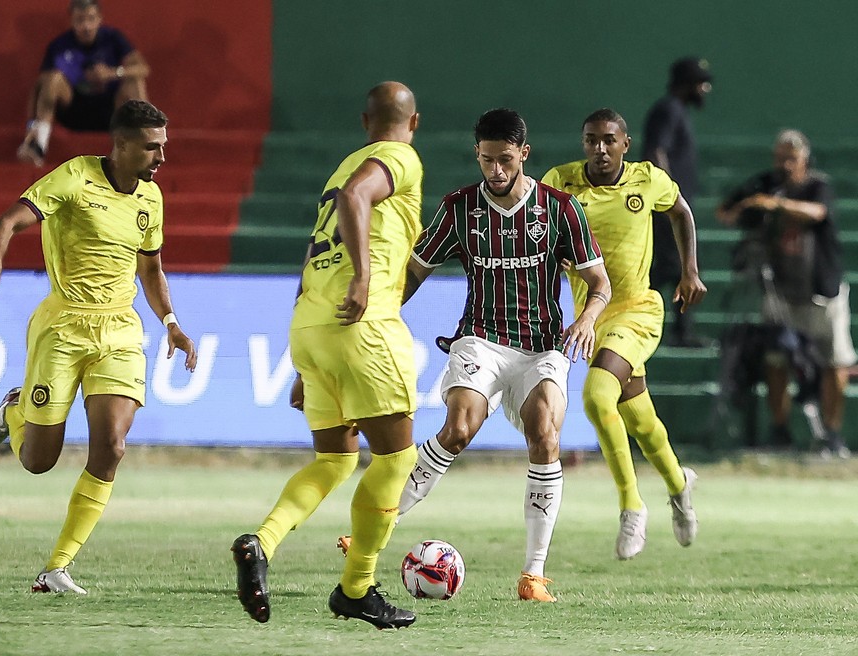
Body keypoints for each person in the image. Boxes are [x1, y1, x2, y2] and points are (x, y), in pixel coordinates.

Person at [342, 108, 612, 602]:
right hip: (480, 339)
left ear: (524, 154)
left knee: (545, 434)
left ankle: (533, 575)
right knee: (459, 427)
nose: (496, 171)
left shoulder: (558, 209)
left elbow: (600, 284)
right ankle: (372, 529)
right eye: (486, 160)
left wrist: (587, 319)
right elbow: (413, 274)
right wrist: (376, 311)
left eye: (505, 160)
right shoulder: (458, 209)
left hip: (542, 345)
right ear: (478, 155)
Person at [0, 99, 198, 594]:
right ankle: (14, 411)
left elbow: (150, 269)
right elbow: (6, 221)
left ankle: (56, 568)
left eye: (164, 147)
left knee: (111, 447)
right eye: (153, 148)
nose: (161, 158)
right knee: (38, 461)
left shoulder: (151, 199)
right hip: (64, 327)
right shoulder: (74, 177)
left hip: (119, 330)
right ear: (122, 144)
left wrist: (171, 322)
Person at [231, 81, 422, 630]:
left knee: (335, 459)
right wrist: (364, 278)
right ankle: (356, 588)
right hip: (361, 325)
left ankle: (261, 543)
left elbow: (316, 249)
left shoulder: (340, 167)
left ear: (365, 121)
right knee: (396, 459)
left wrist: (301, 363)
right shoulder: (398, 158)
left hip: (310, 324)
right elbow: (356, 197)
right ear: (415, 122)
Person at [541, 108, 705, 560]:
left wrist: (690, 270)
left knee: (596, 396)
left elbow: (681, 211)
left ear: (624, 144)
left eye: (609, 140)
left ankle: (632, 506)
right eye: (592, 139)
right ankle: (678, 483)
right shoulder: (560, 182)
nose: (600, 148)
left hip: (638, 311)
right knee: (641, 420)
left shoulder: (646, 179)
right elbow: (544, 239)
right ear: (583, 143)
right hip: (592, 315)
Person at [716, 129, 856, 457]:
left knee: (836, 363)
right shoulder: (766, 183)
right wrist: (750, 207)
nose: (784, 165)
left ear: (804, 159)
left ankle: (832, 434)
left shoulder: (817, 186)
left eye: (791, 158)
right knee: (775, 360)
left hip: (822, 292)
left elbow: (818, 213)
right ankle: (780, 430)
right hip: (781, 293)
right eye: (780, 158)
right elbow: (726, 212)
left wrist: (775, 205)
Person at [17, 0, 150, 167]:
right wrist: (30, 126)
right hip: (73, 111)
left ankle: (144, 145)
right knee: (51, 79)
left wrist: (112, 73)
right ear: (72, 21)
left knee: (134, 81)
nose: (86, 26)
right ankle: (38, 145)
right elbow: (39, 87)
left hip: (110, 111)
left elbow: (143, 68)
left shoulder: (113, 38)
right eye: (80, 20)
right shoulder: (59, 46)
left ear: (99, 19)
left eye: (91, 19)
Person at [642, 56, 712, 347]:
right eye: (700, 83)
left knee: (672, 266)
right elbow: (657, 150)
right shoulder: (669, 109)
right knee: (673, 266)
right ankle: (677, 330)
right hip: (668, 206)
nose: (705, 89)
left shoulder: (676, 110)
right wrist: (669, 195)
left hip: (673, 204)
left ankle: (675, 328)